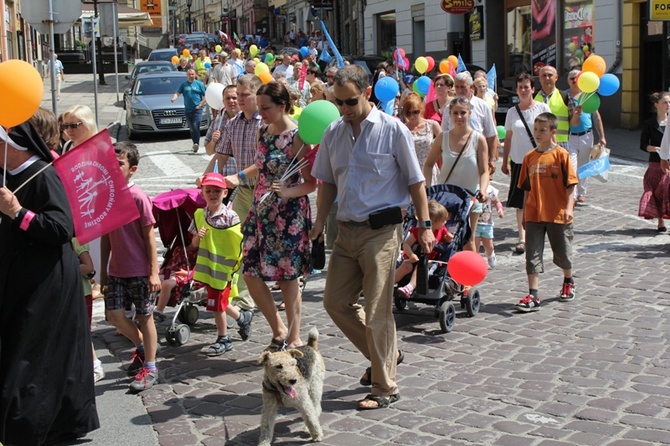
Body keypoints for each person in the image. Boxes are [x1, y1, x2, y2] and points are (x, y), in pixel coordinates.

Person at [310, 65, 435, 410]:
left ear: (366, 93)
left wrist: (424, 226)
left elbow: (415, 181)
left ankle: (384, 386)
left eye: (350, 101)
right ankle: (387, 354)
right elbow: (327, 183)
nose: (344, 108)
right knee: (334, 302)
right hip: (345, 230)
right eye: (338, 102)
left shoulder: (393, 130)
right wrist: (319, 224)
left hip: (381, 231)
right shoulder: (333, 132)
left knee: (377, 309)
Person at [0, 122, 99, 444]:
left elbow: (61, 228)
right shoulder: (6, 176)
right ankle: (63, 421)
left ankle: (24, 427)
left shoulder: (42, 174)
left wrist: (18, 212)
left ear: (12, 146)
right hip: (18, 275)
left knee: (32, 353)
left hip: (47, 279)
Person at [231, 81, 315, 350]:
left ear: (282, 106)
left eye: (266, 108)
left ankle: (294, 336)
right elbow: (261, 164)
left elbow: (311, 183)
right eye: (260, 108)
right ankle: (278, 329)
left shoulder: (298, 137)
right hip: (261, 211)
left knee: (288, 277)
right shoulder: (263, 131)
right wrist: (239, 176)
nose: (261, 113)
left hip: (288, 216)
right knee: (250, 272)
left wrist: (288, 192)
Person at [100, 142, 161, 392]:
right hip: (116, 269)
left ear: (132, 169)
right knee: (113, 316)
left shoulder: (138, 197)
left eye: (120, 164)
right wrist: (103, 272)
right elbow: (105, 236)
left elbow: (149, 237)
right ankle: (142, 347)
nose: (114, 168)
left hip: (139, 269)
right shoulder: (107, 195)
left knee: (145, 316)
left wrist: (154, 271)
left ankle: (151, 365)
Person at [203, 74, 264, 312]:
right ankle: (242, 295)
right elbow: (220, 155)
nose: (238, 100)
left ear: (257, 96)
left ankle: (289, 285)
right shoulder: (233, 123)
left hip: (266, 192)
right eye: (237, 95)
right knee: (236, 239)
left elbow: (264, 161)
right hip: (244, 191)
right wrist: (206, 179)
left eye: (244, 95)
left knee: (265, 243)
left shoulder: (264, 123)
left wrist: (238, 176)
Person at [515, 113, 577, 312]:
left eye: (543, 130)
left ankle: (568, 279)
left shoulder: (561, 155)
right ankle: (533, 295)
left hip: (557, 213)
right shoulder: (529, 157)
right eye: (536, 129)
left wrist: (568, 208)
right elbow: (526, 188)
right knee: (532, 255)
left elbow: (570, 185)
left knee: (563, 252)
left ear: (553, 132)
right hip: (534, 214)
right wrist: (524, 214)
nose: (538, 133)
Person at [189, 173, 253, 354]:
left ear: (225, 193)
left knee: (216, 303)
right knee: (219, 301)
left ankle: (224, 338)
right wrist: (197, 238)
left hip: (224, 269)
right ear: (202, 193)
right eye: (208, 190)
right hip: (207, 269)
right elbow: (193, 245)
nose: (212, 194)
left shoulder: (231, 216)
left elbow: (238, 242)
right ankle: (242, 317)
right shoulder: (200, 215)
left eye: (217, 191)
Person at [424, 98, 490, 252]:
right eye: (455, 113)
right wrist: (428, 188)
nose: (459, 117)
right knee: (445, 237)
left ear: (470, 114)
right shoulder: (443, 137)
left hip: (470, 198)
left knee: (468, 239)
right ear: (450, 115)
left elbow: (484, 170)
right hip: (445, 198)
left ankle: (471, 275)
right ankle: (446, 273)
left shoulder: (478, 139)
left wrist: (483, 190)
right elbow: (428, 164)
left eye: (463, 113)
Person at [501, 73, 550, 255]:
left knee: (539, 200)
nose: (523, 90)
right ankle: (522, 238)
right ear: (516, 89)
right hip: (519, 162)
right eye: (520, 87)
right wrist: (504, 161)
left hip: (539, 161)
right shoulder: (512, 112)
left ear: (533, 89)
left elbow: (550, 134)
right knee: (521, 202)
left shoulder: (542, 108)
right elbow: (508, 138)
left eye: (526, 87)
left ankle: (538, 234)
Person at [441, 72, 498, 175]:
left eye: (463, 87)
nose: (459, 90)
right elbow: (444, 135)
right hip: (455, 159)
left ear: (471, 87)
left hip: (477, 158)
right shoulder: (448, 109)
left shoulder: (483, 106)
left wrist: (492, 159)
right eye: (457, 87)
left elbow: (491, 134)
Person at [396, 200, 453, 298]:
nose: (445, 222)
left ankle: (409, 288)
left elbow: (448, 241)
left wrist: (449, 238)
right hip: (415, 258)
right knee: (406, 265)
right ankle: (386, 285)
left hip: (431, 261)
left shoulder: (442, 230)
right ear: (432, 222)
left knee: (421, 266)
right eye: (443, 221)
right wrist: (410, 254)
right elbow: (406, 244)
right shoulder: (418, 231)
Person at [566, 69, 607, 203]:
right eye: (571, 78)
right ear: (568, 80)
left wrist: (602, 136)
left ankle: (582, 193)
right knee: (571, 165)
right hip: (569, 136)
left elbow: (596, 117)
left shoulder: (588, 96)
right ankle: (573, 191)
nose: (574, 81)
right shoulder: (564, 96)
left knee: (583, 165)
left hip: (586, 135)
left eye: (576, 78)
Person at [72, 238, 105, 382]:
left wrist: (65, 265)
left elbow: (88, 267)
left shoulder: (75, 240)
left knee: (83, 333)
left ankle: (95, 366)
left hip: (82, 292)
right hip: (73, 291)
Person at [639, 91, 670, 231]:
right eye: (665, 102)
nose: (668, 105)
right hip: (656, 163)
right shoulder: (649, 123)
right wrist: (655, 149)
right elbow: (643, 145)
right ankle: (660, 221)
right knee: (658, 193)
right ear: (656, 104)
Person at [401, 92, 441, 184]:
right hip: (410, 172)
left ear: (421, 109)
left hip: (429, 171)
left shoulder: (432, 125)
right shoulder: (402, 129)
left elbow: (444, 148)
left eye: (415, 112)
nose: (412, 116)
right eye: (408, 113)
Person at [204, 85, 239, 178]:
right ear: (223, 101)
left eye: (234, 98)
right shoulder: (217, 121)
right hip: (221, 174)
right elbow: (209, 152)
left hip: (240, 176)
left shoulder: (247, 121)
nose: (231, 101)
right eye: (228, 98)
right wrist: (213, 141)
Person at [172, 68, 207, 153]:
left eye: (192, 74)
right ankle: (194, 143)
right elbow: (178, 93)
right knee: (191, 128)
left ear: (195, 75)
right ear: (186, 75)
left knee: (196, 124)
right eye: (189, 74)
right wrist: (174, 98)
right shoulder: (184, 84)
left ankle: (196, 143)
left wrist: (200, 104)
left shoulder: (199, 84)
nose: (191, 76)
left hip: (197, 109)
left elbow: (206, 95)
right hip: (188, 109)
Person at [534, 65, 570, 148]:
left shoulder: (565, 97)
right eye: (544, 75)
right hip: (538, 143)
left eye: (550, 75)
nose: (547, 78)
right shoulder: (533, 98)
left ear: (556, 77)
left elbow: (574, 122)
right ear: (539, 78)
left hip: (561, 143)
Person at [474, 185, 505, 268]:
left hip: (487, 223)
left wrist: (500, 209)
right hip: (474, 223)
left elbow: (497, 201)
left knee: (489, 245)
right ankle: (476, 263)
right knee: (475, 246)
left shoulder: (490, 189)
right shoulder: (473, 187)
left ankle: (490, 255)